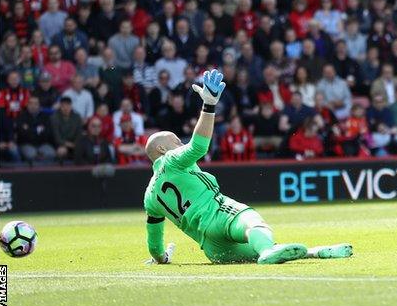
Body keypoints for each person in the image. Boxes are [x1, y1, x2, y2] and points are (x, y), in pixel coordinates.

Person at [143, 69, 352, 265]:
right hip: (219, 214)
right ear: (162, 149)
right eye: (176, 140)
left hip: (212, 248)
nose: (180, 144)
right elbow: (199, 146)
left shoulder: (150, 195)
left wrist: (161, 258)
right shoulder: (171, 159)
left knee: (259, 250)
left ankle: (315, 252)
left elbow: (154, 244)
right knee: (253, 223)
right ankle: (268, 251)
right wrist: (208, 105)